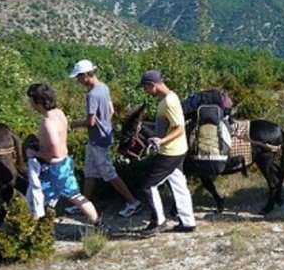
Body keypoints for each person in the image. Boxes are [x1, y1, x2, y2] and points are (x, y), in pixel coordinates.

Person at [67, 59, 141, 218]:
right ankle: (84, 205)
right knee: (90, 172)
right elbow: (111, 110)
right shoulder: (104, 87)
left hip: (97, 140)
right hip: (103, 136)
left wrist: (73, 124)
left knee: (109, 173)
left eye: (79, 77)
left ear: (86, 75)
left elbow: (90, 121)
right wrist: (105, 123)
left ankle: (133, 202)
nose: (78, 81)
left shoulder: (92, 94)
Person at [24, 83, 101, 225]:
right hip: (65, 163)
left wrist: (35, 153)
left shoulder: (48, 122)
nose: (30, 103)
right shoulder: (59, 113)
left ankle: (33, 236)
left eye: (31, 100)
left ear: (38, 101)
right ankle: (98, 224)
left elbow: (55, 151)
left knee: (37, 199)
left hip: (53, 168)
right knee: (75, 196)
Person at [137, 70, 196, 235]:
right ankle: (188, 222)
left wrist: (161, 141)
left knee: (148, 185)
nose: (145, 90)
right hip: (178, 149)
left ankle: (158, 222)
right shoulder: (169, 98)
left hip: (171, 151)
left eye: (145, 87)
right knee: (179, 184)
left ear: (152, 85)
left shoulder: (168, 102)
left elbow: (179, 128)